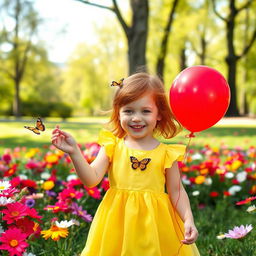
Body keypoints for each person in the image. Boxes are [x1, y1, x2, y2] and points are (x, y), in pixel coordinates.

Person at [51, 72, 200, 256]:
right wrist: (74, 152)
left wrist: (188, 219)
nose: (136, 118)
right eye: (128, 111)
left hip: (155, 223)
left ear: (159, 114)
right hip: (117, 222)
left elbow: (176, 191)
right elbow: (91, 179)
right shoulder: (113, 146)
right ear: (118, 113)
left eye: (145, 111)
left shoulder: (166, 153)